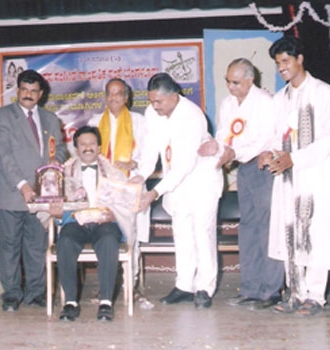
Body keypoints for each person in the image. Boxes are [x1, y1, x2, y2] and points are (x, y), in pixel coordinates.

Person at [197, 58, 284, 310]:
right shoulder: (227, 103)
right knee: (248, 227)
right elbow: (224, 133)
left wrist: (232, 154)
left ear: (250, 80)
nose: (230, 86)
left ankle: (271, 291)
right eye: (227, 81)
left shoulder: (265, 102)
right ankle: (250, 289)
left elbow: (264, 139)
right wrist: (219, 149)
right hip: (244, 170)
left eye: (235, 82)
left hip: (264, 166)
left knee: (266, 228)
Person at [258, 36, 330, 316]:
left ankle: (315, 296)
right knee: (290, 230)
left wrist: (294, 159)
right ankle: (295, 293)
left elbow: (326, 140)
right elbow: (278, 136)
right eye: (277, 64)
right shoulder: (280, 98)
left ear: (300, 59)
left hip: (315, 174)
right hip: (287, 177)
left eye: (286, 61)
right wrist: (270, 153)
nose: (281, 69)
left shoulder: (323, 93)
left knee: (315, 233)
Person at [139, 73, 223, 309]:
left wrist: (155, 193)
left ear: (174, 97)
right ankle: (184, 286)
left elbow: (185, 164)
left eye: (159, 102)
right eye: (152, 101)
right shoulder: (151, 113)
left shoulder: (192, 116)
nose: (154, 107)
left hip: (201, 183)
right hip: (176, 186)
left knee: (202, 236)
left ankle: (205, 288)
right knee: (182, 236)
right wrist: (140, 174)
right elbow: (149, 149)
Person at [0, 69, 67, 312]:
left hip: (42, 197)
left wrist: (56, 164)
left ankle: (36, 293)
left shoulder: (51, 119)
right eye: (24, 90)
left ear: (41, 94)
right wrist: (23, 185)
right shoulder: (2, 116)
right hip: (13, 193)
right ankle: (11, 295)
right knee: (10, 248)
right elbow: (2, 154)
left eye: (34, 91)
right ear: (17, 90)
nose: (28, 95)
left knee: (36, 247)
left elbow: (60, 151)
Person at [52, 126, 130, 322]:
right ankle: (70, 302)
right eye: (83, 144)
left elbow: (125, 205)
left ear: (99, 147)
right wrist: (58, 213)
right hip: (75, 221)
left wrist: (113, 214)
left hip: (104, 222)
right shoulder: (63, 174)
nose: (88, 148)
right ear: (76, 148)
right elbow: (54, 205)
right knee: (66, 240)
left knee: (109, 240)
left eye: (92, 143)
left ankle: (106, 302)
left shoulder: (114, 173)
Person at [87, 78, 150, 295]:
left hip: (129, 185)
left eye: (118, 93)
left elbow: (149, 154)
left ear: (126, 97)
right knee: (104, 234)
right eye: (110, 93)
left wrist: (134, 163)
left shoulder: (139, 121)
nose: (114, 98)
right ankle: (107, 285)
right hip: (102, 189)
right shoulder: (95, 122)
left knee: (130, 234)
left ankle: (130, 285)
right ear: (105, 97)